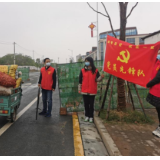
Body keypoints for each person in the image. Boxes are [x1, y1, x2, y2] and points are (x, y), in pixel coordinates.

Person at [79, 57, 104, 123]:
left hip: (92, 90)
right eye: (85, 61)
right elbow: (80, 81)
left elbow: (97, 79)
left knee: (91, 104)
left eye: (87, 61)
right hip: (84, 90)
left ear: (91, 62)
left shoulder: (95, 70)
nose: (86, 62)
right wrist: (79, 89)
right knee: (86, 104)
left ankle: (91, 117)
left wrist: (101, 77)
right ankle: (86, 116)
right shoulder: (82, 70)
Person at [146, 50, 160, 137]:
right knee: (158, 110)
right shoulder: (157, 62)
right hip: (156, 91)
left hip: (158, 92)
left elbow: (158, 78)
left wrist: (148, 84)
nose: (158, 54)